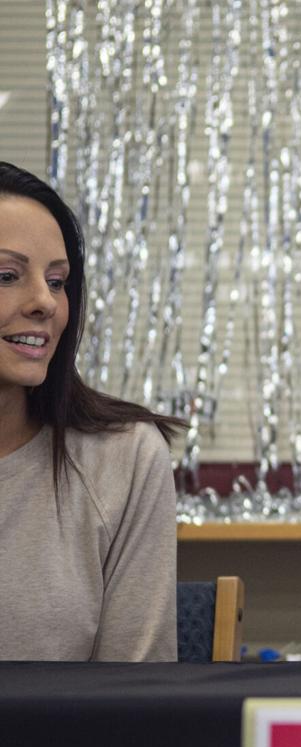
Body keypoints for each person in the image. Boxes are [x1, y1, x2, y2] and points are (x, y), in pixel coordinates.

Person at [0, 162, 182, 661]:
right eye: (7, 275)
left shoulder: (123, 458)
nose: (45, 302)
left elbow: (131, 705)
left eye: (57, 281)